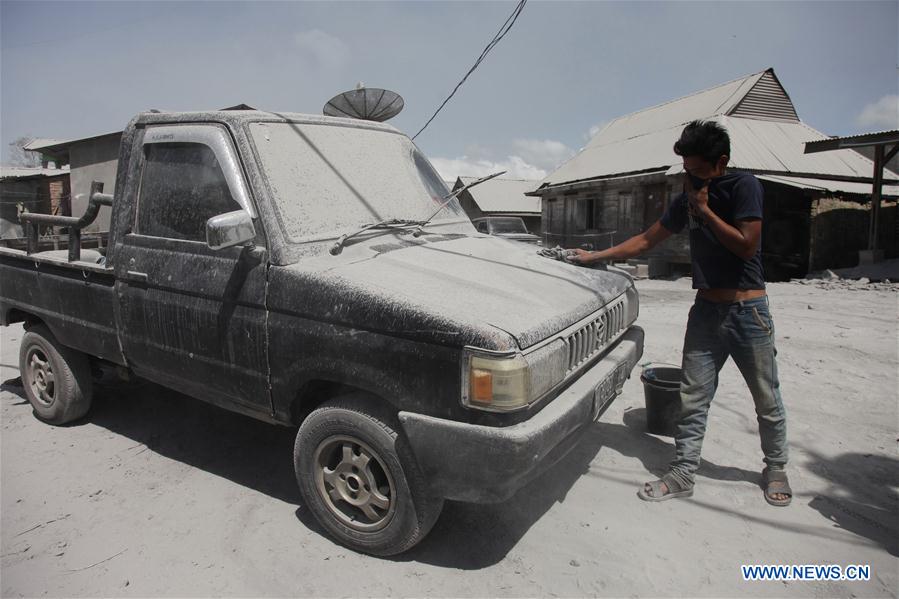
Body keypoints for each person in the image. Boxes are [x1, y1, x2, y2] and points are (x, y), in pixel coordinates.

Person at [570, 120, 791, 506]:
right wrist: (595, 256)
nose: (689, 176)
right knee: (693, 396)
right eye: (686, 168)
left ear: (720, 161)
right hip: (706, 310)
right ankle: (685, 471)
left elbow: (746, 246)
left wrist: (705, 212)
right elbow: (645, 240)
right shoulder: (687, 198)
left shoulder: (744, 187)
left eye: (697, 169)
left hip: (747, 311)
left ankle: (776, 467)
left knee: (766, 398)